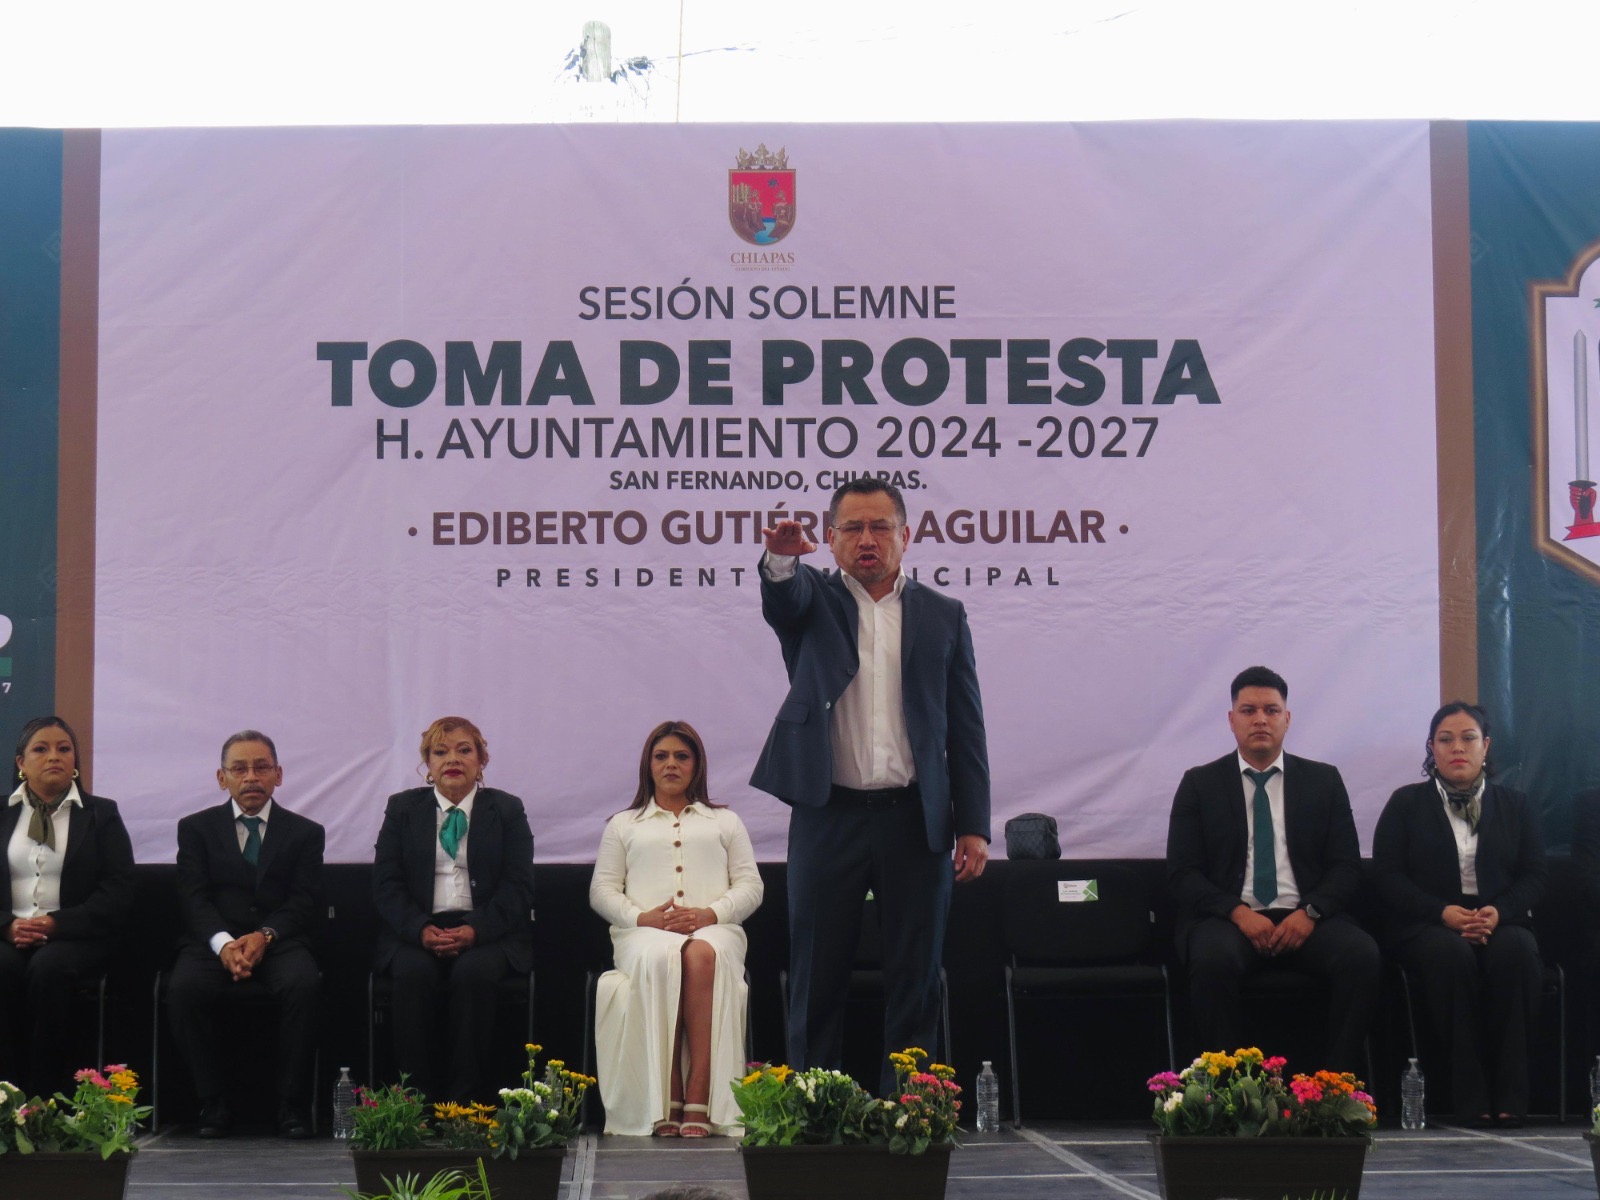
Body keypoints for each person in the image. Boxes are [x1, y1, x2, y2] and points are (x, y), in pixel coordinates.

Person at [753, 479, 990, 1096]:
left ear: (906, 536)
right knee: (817, 972)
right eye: (852, 528)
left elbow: (965, 728)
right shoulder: (814, 603)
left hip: (916, 818)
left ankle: (904, 1108)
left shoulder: (944, 615)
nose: (867, 540)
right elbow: (783, 596)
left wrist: (974, 824)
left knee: (915, 975)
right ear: (829, 541)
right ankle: (815, 1107)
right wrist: (782, 558)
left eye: (880, 527)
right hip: (828, 814)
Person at [1165, 666, 1379, 1073]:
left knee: (1362, 955)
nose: (1260, 719)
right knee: (1212, 960)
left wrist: (1310, 913)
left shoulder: (1323, 780)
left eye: (1271, 710)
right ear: (1231, 721)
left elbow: (1346, 867)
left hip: (1307, 915)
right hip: (1229, 917)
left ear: (1287, 718)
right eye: (1248, 710)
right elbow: (1182, 873)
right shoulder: (1199, 784)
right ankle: (1226, 1089)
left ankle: (1336, 1087)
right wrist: (1238, 913)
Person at [1372, 701, 1546, 1126]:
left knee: (1519, 953)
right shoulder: (1405, 804)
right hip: (1427, 924)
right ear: (1431, 747)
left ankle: (1512, 1097)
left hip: (1496, 919)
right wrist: (1440, 912)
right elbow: (1387, 876)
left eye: (1468, 738)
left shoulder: (1516, 805)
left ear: (1485, 746)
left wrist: (1498, 912)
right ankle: (1468, 1098)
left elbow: (1534, 874)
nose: (1457, 748)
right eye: (1445, 739)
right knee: (1451, 958)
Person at [589, 720, 763, 1137]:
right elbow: (602, 891)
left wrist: (711, 914)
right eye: (661, 756)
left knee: (700, 952)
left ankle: (699, 1093)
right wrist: (641, 918)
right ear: (648, 765)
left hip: (716, 930)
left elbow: (751, 887)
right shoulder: (623, 824)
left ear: (697, 765)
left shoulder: (725, 821)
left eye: (681, 756)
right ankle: (668, 1093)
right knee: (663, 954)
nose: (671, 764)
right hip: (641, 933)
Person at [168, 730, 325, 1138]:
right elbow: (193, 898)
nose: (251, 777)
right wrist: (223, 945)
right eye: (239, 768)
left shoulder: (305, 832)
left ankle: (292, 1104)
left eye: (261, 767)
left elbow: (304, 901)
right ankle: (211, 1101)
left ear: (278, 774)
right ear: (222, 778)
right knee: (183, 989)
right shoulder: (195, 829)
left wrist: (264, 935)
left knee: (303, 985)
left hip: (280, 941)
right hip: (212, 943)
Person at [373, 716, 535, 1104]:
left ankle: (466, 1104)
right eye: (440, 751)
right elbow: (386, 884)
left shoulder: (507, 810)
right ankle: (417, 1102)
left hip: (486, 933)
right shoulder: (402, 809)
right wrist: (420, 929)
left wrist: (476, 930)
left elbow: (519, 886)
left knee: (474, 975)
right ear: (427, 764)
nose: (453, 759)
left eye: (465, 750)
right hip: (419, 930)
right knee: (412, 976)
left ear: (482, 760)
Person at [1, 716, 135, 1097]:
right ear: (20, 763)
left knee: (49, 969)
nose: (54, 757)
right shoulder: (1, 814)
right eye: (40, 749)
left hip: (76, 937)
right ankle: (6, 1097)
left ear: (75, 761)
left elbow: (118, 891)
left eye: (63, 748)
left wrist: (56, 925)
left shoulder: (101, 815)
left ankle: (46, 1097)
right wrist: (8, 927)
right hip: (9, 934)